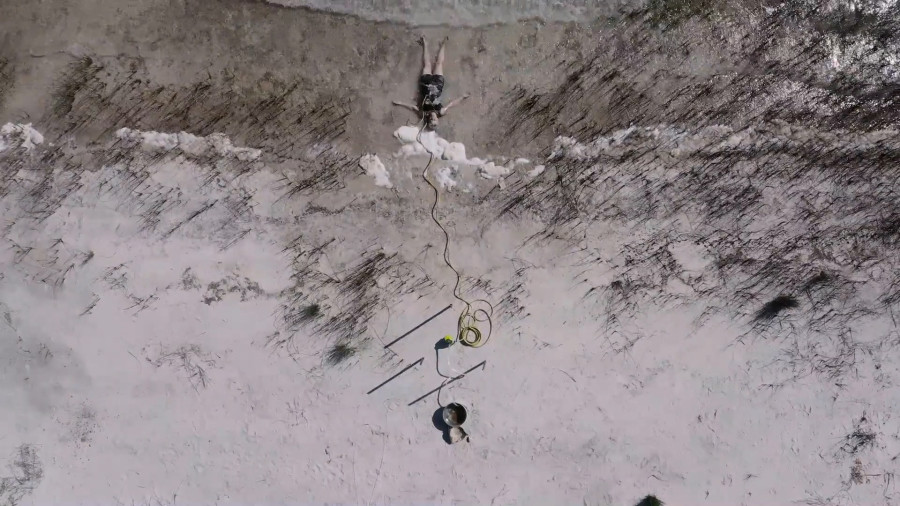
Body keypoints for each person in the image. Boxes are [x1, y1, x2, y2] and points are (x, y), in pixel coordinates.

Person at [392, 36, 470, 130]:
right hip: (438, 83)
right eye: (435, 121)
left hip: (425, 83)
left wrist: (399, 103)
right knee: (439, 63)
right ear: (438, 120)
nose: (433, 119)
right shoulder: (441, 111)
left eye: (431, 122)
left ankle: (425, 44)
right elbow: (452, 104)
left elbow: (413, 108)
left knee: (427, 64)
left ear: (428, 121)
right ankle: (443, 43)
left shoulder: (424, 113)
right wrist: (462, 97)